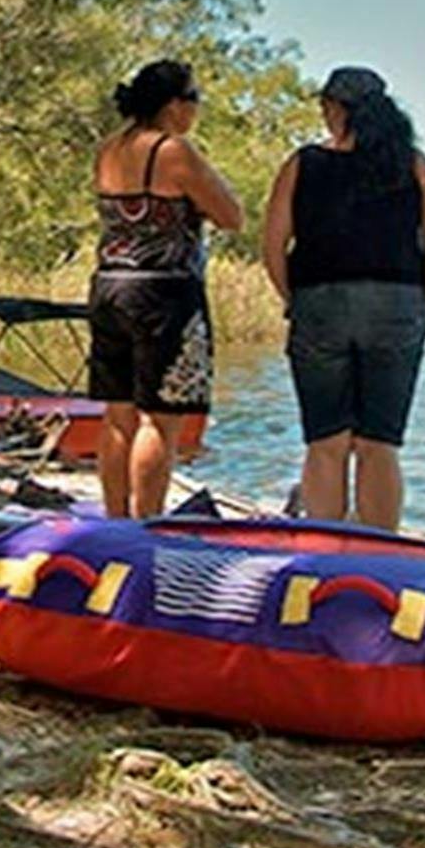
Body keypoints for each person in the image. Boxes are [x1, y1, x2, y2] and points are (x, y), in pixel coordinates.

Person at [262, 66, 425, 532]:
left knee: (326, 441)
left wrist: (296, 298)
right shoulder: (415, 165)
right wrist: (424, 306)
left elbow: (272, 246)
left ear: (335, 108)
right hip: (397, 303)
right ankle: (381, 553)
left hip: (318, 303)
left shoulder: (302, 164)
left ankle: (326, 553)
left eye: (324, 106)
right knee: (379, 443)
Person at [89, 60, 243, 519]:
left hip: (110, 284)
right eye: (194, 98)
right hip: (163, 293)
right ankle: (148, 524)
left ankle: (115, 519)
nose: (196, 108)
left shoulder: (108, 149)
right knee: (160, 418)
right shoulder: (174, 151)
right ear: (174, 105)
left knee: (118, 415)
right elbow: (232, 215)